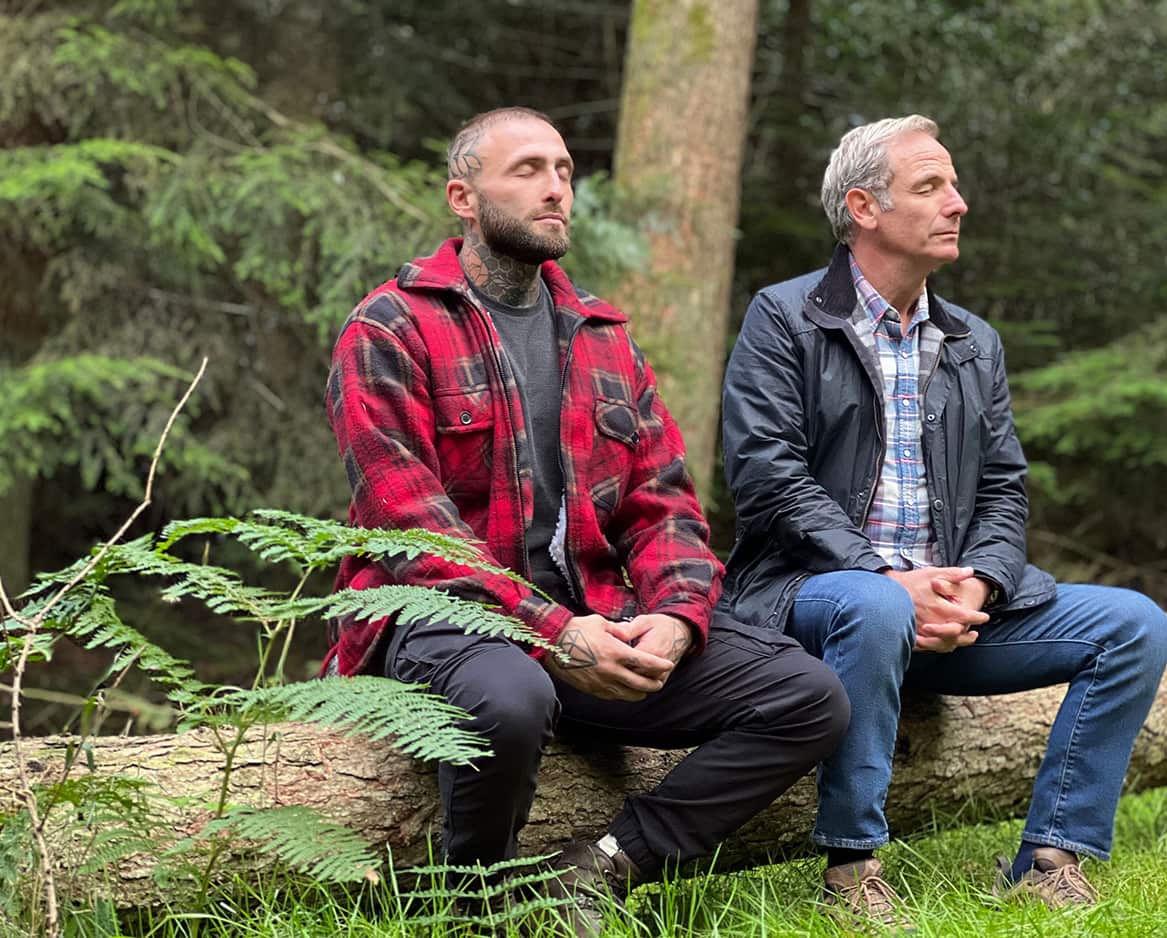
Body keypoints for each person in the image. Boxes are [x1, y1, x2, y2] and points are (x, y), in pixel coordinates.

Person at [324, 106, 849, 936]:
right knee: (512, 700)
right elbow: (411, 529)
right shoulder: (390, 326)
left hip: (595, 621)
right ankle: (470, 908)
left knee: (809, 696)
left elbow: (665, 502)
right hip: (438, 620)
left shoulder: (600, 334)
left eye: (564, 170)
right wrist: (552, 632)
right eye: (527, 169)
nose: (555, 187)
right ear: (463, 198)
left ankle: (603, 865)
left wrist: (676, 619)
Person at [719, 114, 1167, 929]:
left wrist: (982, 579)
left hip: (951, 609)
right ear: (863, 206)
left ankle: (1049, 858)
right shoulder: (784, 319)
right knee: (876, 604)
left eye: (953, 184)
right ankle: (851, 872)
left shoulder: (972, 341)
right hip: (812, 600)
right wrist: (888, 577)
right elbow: (768, 480)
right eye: (931, 186)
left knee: (1133, 624)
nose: (957, 202)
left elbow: (1004, 485)